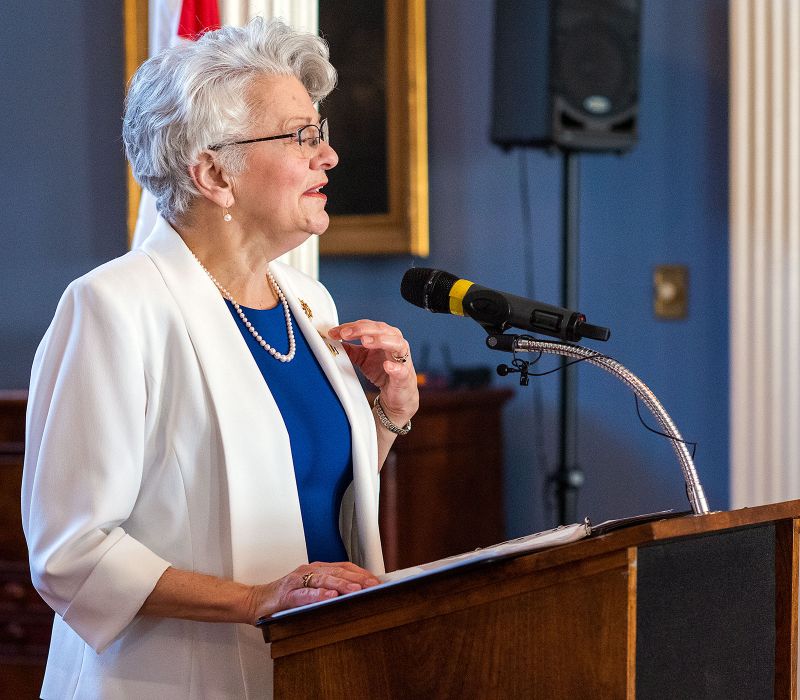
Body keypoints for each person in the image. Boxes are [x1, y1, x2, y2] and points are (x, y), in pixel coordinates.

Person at [22, 17, 418, 699]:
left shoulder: (309, 304)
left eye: (319, 134)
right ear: (212, 172)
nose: (328, 157)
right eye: (302, 137)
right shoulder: (115, 308)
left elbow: (301, 490)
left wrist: (387, 416)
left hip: (315, 668)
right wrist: (255, 599)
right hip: (174, 679)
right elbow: (71, 553)